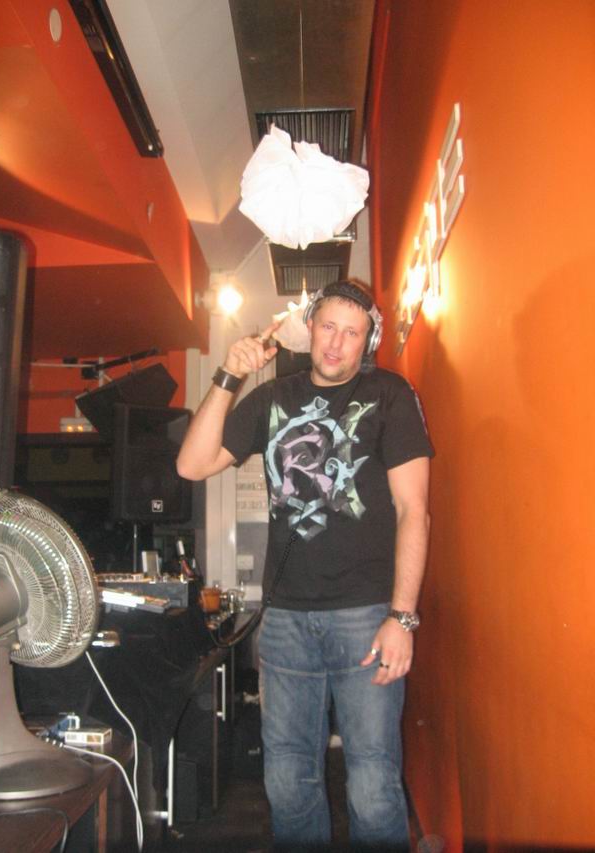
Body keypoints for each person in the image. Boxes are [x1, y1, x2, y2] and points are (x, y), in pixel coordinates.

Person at [177, 279, 433, 851]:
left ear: (368, 342)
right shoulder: (271, 398)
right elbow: (192, 465)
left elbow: (413, 510)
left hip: (366, 616)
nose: (336, 344)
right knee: (288, 781)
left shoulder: (390, 395)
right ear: (310, 328)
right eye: (328, 327)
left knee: (373, 781)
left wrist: (402, 617)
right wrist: (229, 374)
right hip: (286, 621)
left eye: (352, 333)